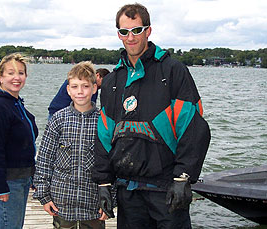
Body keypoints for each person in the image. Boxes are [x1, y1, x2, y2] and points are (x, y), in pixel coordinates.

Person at [92, 3, 211, 228]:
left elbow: (194, 129)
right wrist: (104, 182)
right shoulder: (111, 82)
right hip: (128, 192)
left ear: (148, 30)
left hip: (167, 189)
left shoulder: (173, 71)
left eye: (137, 30)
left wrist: (183, 176)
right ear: (118, 34)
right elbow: (104, 136)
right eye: (124, 31)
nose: (131, 37)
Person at [34, 61, 107, 229]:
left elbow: (113, 163)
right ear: (68, 90)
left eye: (85, 86)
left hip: (93, 206)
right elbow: (45, 160)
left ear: (94, 88)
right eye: (74, 86)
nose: (80, 91)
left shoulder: (104, 121)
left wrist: (111, 198)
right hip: (62, 205)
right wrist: (44, 196)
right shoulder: (58, 120)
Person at [0, 53, 39, 228]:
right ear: (0, 77)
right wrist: (0, 186)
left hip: (21, 178)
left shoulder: (15, 103)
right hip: (7, 181)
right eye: (10, 73)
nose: (16, 77)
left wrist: (32, 174)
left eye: (21, 73)